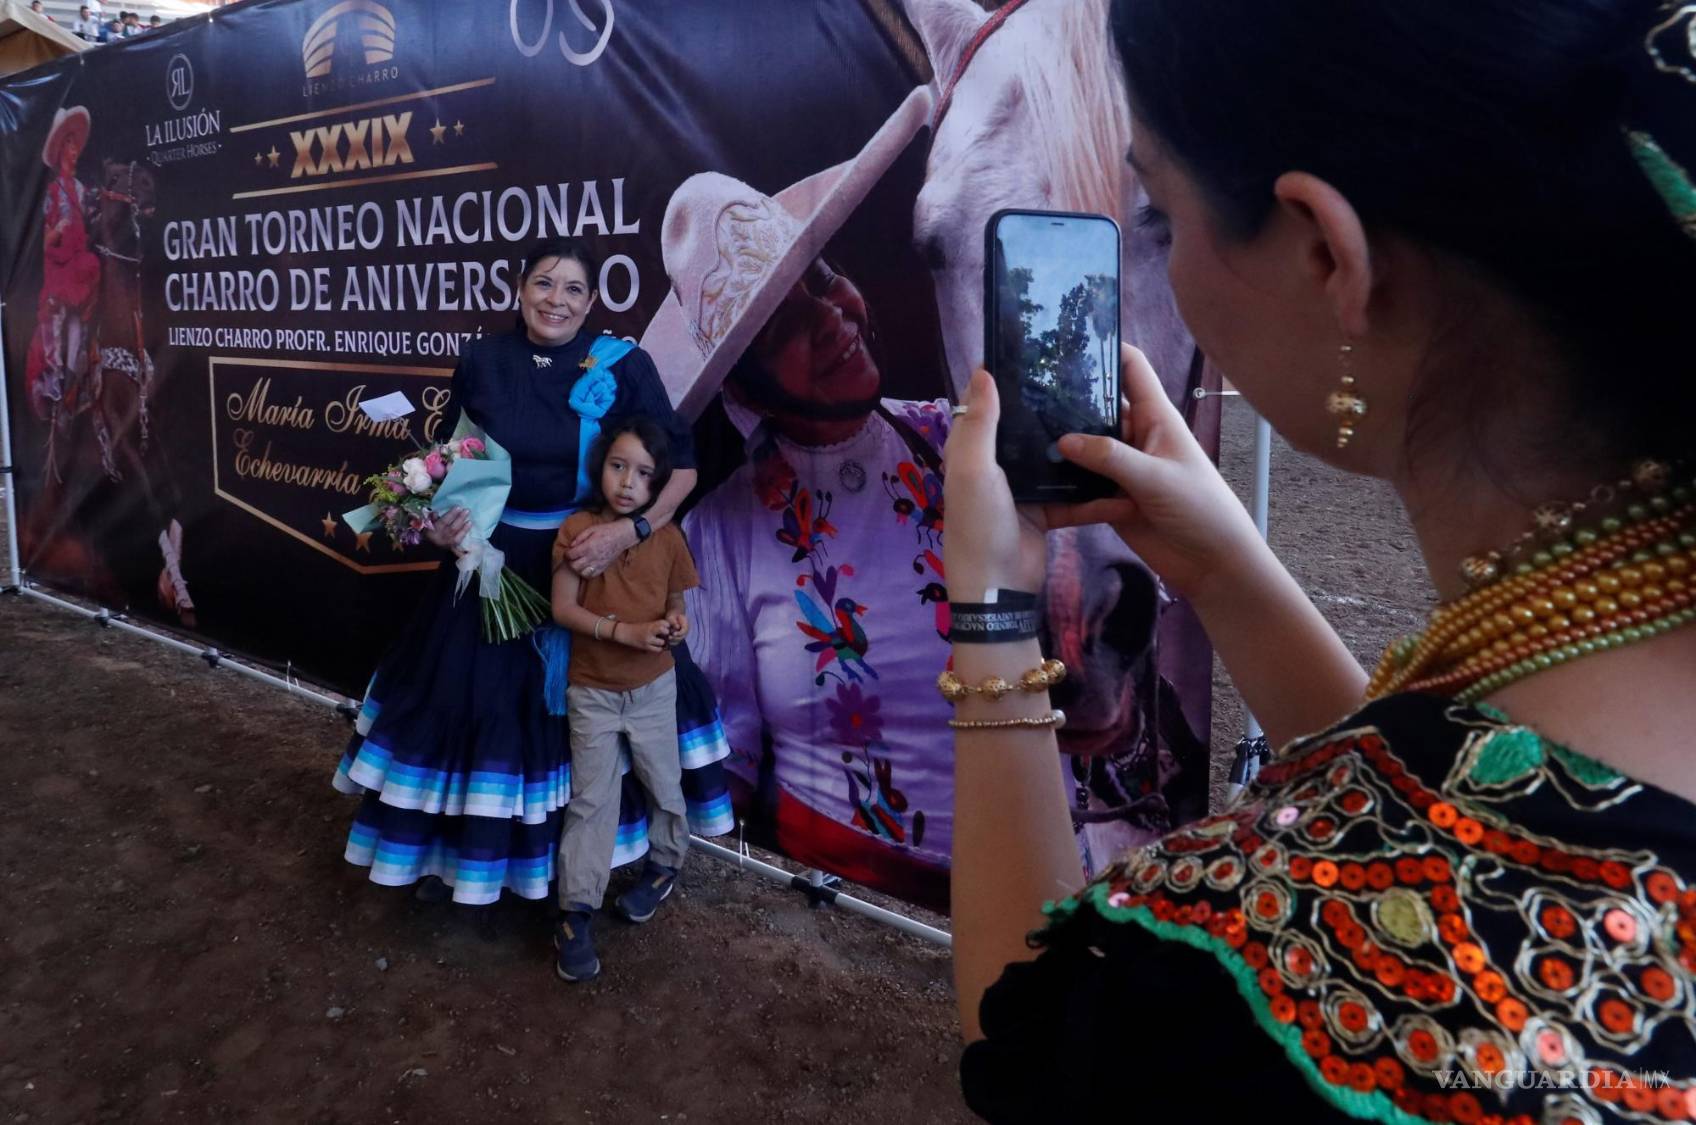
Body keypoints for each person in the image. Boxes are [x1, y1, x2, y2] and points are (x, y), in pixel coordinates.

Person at [946, 0, 1696, 1121]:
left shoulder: (1262, 964)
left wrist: (994, 620)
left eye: (1157, 210)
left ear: (1322, 251)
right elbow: (1461, 803)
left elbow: (1035, 1039)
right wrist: (1231, 571)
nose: (1161, 248)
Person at [332, 237, 731, 912]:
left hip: (589, 559)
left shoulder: (624, 364)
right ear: (519, 290)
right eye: (544, 284)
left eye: (573, 288)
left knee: (597, 717)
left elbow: (683, 468)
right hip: (491, 565)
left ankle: (600, 868)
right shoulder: (484, 360)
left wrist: (626, 531)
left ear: (592, 301)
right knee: (476, 707)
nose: (557, 299)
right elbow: (455, 463)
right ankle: (468, 858)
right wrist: (439, 522)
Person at [639, 89, 963, 910]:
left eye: (822, 278)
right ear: (741, 388)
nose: (831, 318)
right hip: (846, 928)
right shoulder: (721, 534)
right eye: (782, 327)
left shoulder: (974, 445)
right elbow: (725, 776)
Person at [548, 418, 698, 981]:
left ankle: (665, 864)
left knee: (663, 779)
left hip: (655, 689)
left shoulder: (668, 537)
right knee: (591, 800)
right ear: (600, 466)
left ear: (657, 486)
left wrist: (675, 624)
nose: (627, 483)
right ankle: (576, 911)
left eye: (643, 474)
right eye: (618, 466)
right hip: (592, 692)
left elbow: (678, 601)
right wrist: (623, 633)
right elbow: (563, 609)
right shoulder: (577, 530)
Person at [24, 107, 100, 426]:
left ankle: (72, 380)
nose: (75, 150)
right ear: (60, 152)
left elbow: (88, 227)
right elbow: (43, 242)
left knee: (77, 319)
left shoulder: (81, 189)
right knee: (58, 314)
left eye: (75, 144)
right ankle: (53, 376)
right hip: (59, 268)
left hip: (79, 264)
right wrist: (59, 229)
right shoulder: (53, 193)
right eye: (70, 145)